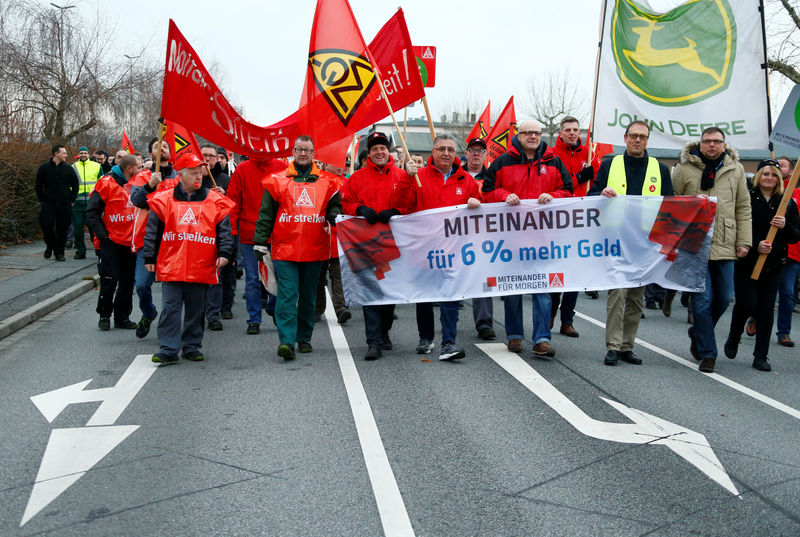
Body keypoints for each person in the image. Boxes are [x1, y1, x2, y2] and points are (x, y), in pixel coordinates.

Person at [482, 119, 573, 357]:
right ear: (519, 136)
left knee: (542, 289)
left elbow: (568, 191)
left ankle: (542, 338)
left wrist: (553, 196)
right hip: (511, 240)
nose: (533, 136)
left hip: (543, 239)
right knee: (513, 289)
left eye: (537, 133)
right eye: (528, 133)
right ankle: (514, 336)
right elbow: (487, 191)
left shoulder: (554, 161)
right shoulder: (502, 162)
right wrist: (504, 195)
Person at [588, 120, 673, 366]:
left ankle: (627, 346)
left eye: (642, 137)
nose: (638, 140)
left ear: (647, 141)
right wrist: (601, 194)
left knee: (636, 297)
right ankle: (613, 345)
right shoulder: (609, 164)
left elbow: (670, 204)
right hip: (616, 239)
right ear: (625, 138)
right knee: (617, 294)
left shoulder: (661, 169)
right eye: (633, 136)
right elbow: (591, 195)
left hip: (645, 244)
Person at [393, 134, 482, 361]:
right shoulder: (418, 177)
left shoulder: (467, 181)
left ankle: (449, 342)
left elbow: (481, 212)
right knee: (424, 295)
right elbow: (401, 206)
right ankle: (425, 337)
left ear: (455, 154)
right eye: (441, 148)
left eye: (450, 149)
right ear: (432, 152)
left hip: (453, 250)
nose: (445, 153)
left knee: (450, 295)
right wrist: (406, 178)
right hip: (424, 248)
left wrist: (476, 203)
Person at [253, 135, 341, 360]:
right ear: (293, 151)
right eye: (299, 149)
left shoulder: (329, 182)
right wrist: (260, 242)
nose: (303, 153)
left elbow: (335, 207)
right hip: (285, 250)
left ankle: (304, 337)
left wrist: (334, 216)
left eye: (307, 150)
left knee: (309, 296)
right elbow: (266, 214)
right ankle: (286, 341)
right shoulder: (277, 181)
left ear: (314, 153)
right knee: (287, 295)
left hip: (315, 249)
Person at [671, 127, 751, 373]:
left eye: (717, 142)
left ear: (724, 145)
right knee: (702, 301)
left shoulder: (735, 169)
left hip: (726, 241)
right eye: (708, 141)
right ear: (701, 143)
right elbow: (673, 204)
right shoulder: (685, 169)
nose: (712, 145)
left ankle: (698, 332)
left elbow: (743, 206)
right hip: (695, 244)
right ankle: (708, 353)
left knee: (725, 297)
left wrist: (744, 241)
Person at [143, 154, 235, 364]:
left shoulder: (214, 200)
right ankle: (168, 348)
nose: (199, 176)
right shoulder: (164, 199)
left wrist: (224, 253)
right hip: (171, 264)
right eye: (193, 173)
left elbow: (224, 231)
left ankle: (192, 347)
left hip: (201, 264)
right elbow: (152, 231)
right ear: (181, 175)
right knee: (170, 307)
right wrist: (149, 256)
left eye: (200, 172)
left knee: (196, 309)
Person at [723, 160, 800, 372]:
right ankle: (734, 335)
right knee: (747, 304)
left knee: (766, 309)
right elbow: (740, 225)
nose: (769, 178)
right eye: (765, 174)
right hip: (748, 261)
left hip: (775, 264)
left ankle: (761, 355)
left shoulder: (787, 203)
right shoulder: (747, 198)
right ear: (758, 176)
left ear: (779, 178)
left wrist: (785, 225)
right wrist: (756, 244)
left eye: (773, 174)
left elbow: (795, 236)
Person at [341, 132, 410, 360]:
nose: (379, 152)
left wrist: (396, 212)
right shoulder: (357, 178)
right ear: (368, 154)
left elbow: (411, 204)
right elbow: (346, 203)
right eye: (374, 149)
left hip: (394, 245)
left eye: (383, 148)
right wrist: (360, 209)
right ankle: (373, 341)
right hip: (366, 244)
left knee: (389, 294)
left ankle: (384, 331)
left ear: (388, 151)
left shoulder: (402, 176)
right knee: (370, 291)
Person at [548, 116, 600, 338]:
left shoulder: (589, 155)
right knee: (555, 270)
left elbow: (598, 183)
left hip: (581, 219)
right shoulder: (550, 155)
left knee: (575, 272)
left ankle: (567, 319)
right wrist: (579, 177)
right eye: (568, 129)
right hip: (557, 220)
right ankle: (550, 311)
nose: (572, 133)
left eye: (576, 130)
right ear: (560, 132)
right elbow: (556, 185)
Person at [227, 154, 287, 334]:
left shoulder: (282, 166)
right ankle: (254, 319)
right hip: (250, 234)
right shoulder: (242, 169)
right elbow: (233, 201)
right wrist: (232, 231)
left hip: (277, 234)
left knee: (278, 276)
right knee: (252, 279)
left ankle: (274, 307)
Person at [128, 138, 178, 339]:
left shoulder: (178, 178)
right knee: (141, 284)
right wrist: (150, 186)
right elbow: (137, 201)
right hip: (146, 242)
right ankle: (149, 313)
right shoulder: (142, 177)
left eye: (165, 146)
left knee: (171, 291)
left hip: (173, 242)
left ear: (170, 153)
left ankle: (168, 331)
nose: (162, 149)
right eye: (157, 147)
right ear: (151, 154)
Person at [86, 154, 141, 331]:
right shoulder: (106, 183)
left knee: (127, 282)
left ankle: (122, 317)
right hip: (111, 241)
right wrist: (103, 236)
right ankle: (104, 315)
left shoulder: (137, 184)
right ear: (129, 169)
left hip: (130, 241)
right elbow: (92, 212)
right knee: (109, 280)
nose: (141, 171)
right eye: (138, 167)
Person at [462, 137, 496, 340]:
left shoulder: (493, 177)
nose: (476, 154)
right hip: (457, 234)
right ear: (466, 153)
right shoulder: (456, 175)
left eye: (480, 151)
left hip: (484, 235)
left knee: (483, 277)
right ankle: (447, 320)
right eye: (472, 150)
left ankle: (484, 322)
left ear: (485, 155)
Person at [198, 143, 235, 330]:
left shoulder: (224, 180)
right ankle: (198, 312)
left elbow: (233, 206)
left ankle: (214, 314)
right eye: (203, 155)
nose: (207, 159)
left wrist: (224, 196)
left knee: (217, 276)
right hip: (196, 234)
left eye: (211, 156)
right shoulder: (193, 179)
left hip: (217, 233)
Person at [315, 162, 350, 326]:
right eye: (335, 164)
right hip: (320, 234)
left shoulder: (346, 183)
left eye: (341, 164)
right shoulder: (316, 181)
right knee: (318, 276)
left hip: (338, 235)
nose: (340, 167)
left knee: (338, 274)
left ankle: (341, 308)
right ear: (325, 165)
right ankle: (317, 308)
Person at [35, 145, 78, 262]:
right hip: (48, 204)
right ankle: (50, 245)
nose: (66, 155)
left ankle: (59, 253)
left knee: (62, 230)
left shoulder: (68, 169)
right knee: (46, 226)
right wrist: (42, 199)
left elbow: (75, 184)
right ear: (56, 154)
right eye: (64, 153)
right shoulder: (44, 168)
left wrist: (72, 199)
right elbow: (38, 184)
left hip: (64, 204)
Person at [775, 156, 799, 347]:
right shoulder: (768, 189)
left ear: (792, 172)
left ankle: (784, 332)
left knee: (787, 293)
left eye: (782, 165)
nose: (777, 167)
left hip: (793, 253)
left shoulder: (797, 194)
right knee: (764, 292)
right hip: (771, 250)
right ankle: (756, 317)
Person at [71, 146, 103, 260]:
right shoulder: (73, 167)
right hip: (77, 203)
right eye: (81, 153)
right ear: (78, 155)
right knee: (78, 228)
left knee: (93, 228)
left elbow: (102, 183)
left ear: (89, 154)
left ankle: (98, 250)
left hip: (92, 202)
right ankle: (81, 251)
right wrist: (71, 199)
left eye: (85, 153)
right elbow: (70, 184)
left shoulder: (97, 166)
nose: (83, 155)